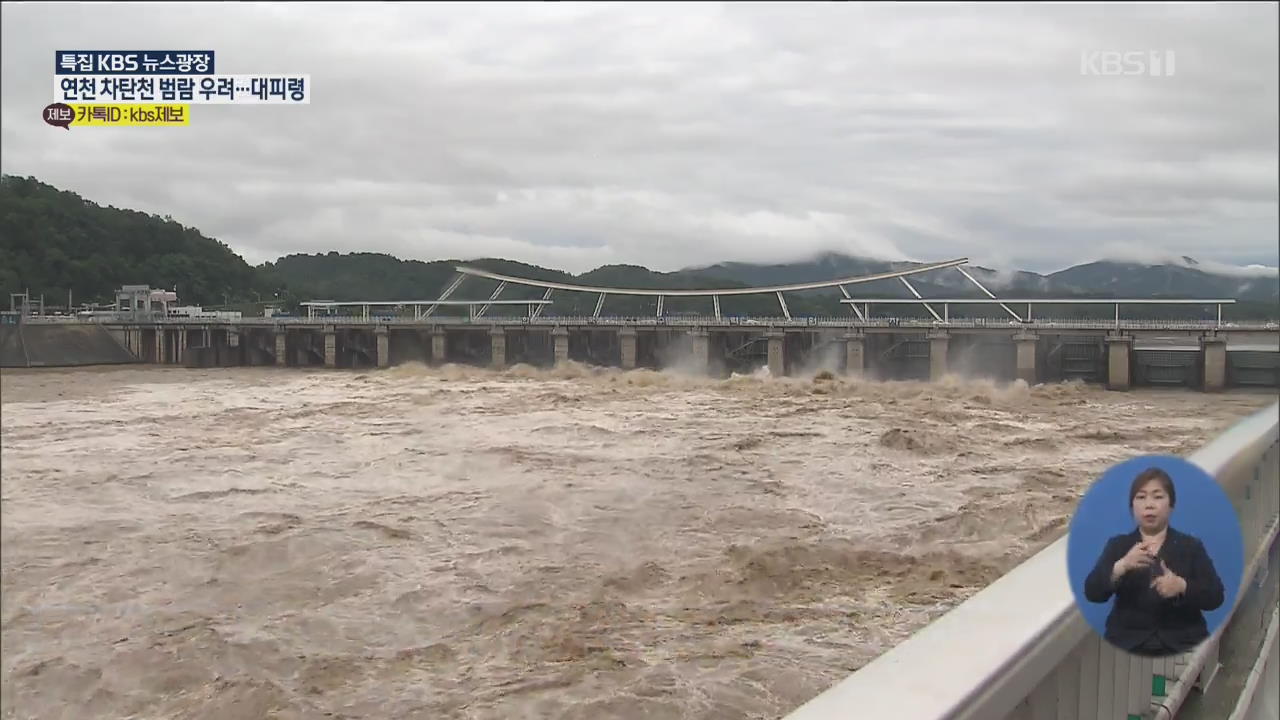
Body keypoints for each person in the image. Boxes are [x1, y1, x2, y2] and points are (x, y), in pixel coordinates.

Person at [1083, 467, 1226, 657]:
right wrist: (1122, 566)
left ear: (1171, 505)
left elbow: (1216, 597)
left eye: (1158, 497)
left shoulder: (1191, 546)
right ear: (1132, 506)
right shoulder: (1118, 545)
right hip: (1128, 645)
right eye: (1141, 497)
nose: (1149, 505)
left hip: (1183, 644)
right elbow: (1093, 593)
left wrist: (1182, 586)